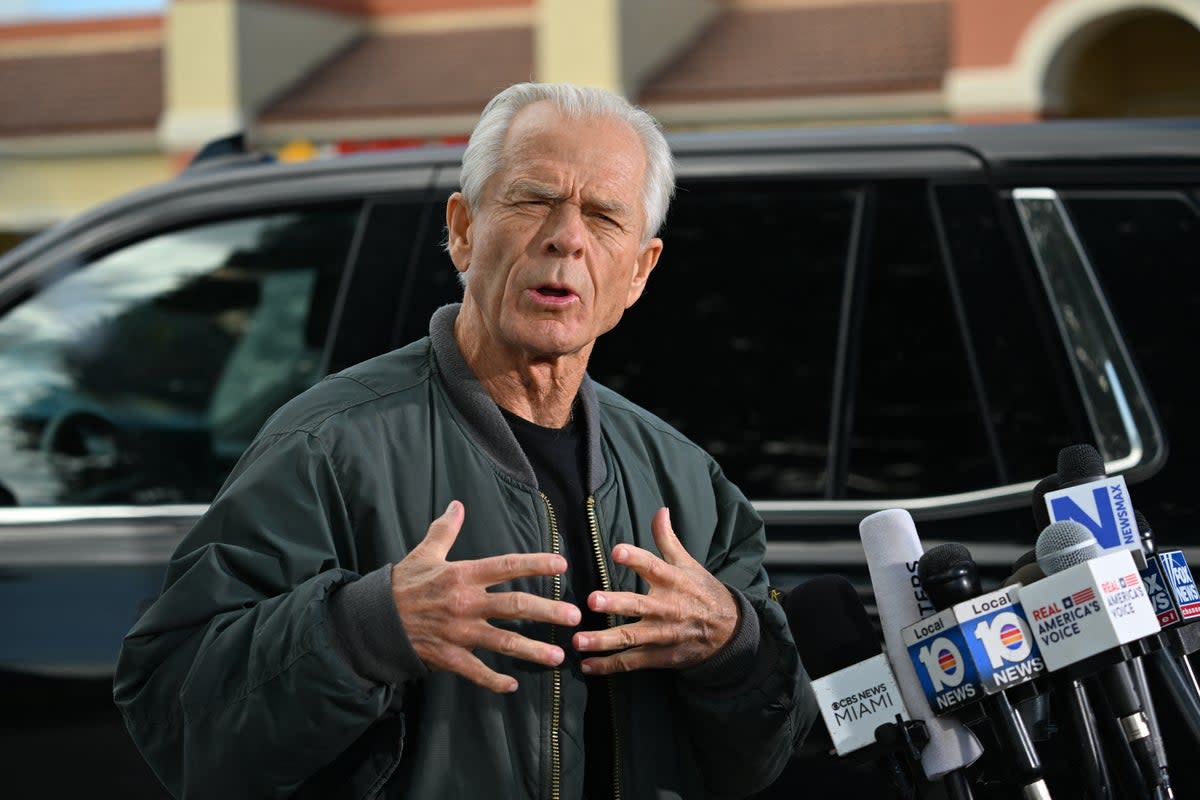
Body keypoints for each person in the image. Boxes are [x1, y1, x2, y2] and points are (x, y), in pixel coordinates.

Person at [114, 82, 815, 799]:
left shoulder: (689, 483)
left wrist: (736, 646)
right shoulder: (326, 446)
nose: (566, 236)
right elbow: (176, 717)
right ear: (463, 229)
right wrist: (362, 632)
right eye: (534, 199)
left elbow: (767, 760)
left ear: (639, 271)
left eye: (604, 216)